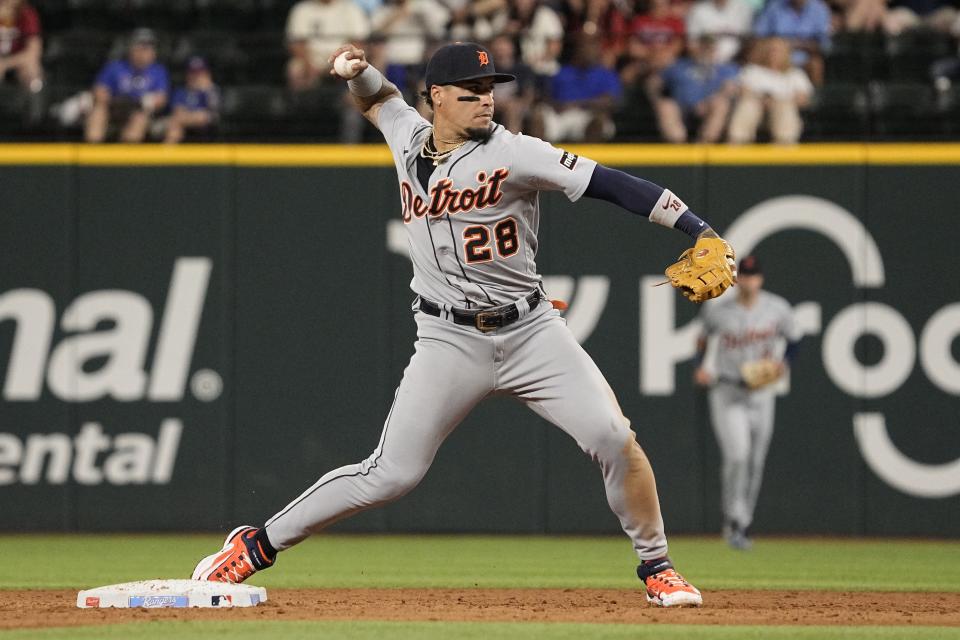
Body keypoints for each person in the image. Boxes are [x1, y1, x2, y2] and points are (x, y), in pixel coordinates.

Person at [191, 40, 738, 607]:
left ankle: (658, 566)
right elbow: (379, 99)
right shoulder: (407, 135)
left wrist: (697, 229)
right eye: (470, 92)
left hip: (531, 333)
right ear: (436, 99)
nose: (486, 101)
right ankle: (254, 545)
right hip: (447, 339)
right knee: (391, 474)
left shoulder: (518, 152)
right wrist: (358, 71)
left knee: (613, 437)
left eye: (490, 90)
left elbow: (612, 184)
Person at [694, 256, 800, 550]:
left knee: (755, 460)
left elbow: (794, 340)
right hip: (727, 390)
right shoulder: (717, 310)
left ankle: (743, 521)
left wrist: (784, 364)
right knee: (738, 455)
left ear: (760, 279)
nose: (749, 280)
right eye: (744, 275)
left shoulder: (777, 308)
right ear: (737, 279)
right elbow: (701, 341)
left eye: (753, 275)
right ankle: (734, 520)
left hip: (761, 392)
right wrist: (701, 366)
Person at [84, 28, 169, 143]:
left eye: (147, 48)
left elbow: (161, 99)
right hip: (113, 108)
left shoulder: (158, 71)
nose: (143, 52)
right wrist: (114, 101)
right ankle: (92, 156)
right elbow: (99, 90)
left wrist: (138, 102)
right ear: (131, 48)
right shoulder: (115, 66)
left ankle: (125, 158)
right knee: (98, 111)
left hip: (138, 110)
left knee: (140, 116)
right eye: (139, 47)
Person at [649, 35, 739, 142]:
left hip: (709, 106)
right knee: (666, 106)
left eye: (709, 47)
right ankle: (679, 149)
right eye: (702, 47)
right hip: (681, 107)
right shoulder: (677, 65)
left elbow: (730, 89)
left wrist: (710, 100)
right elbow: (653, 83)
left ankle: (705, 146)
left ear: (714, 49)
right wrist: (657, 99)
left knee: (721, 104)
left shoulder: (725, 69)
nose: (705, 51)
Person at [533, 34, 622, 142]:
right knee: (538, 115)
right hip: (560, 115)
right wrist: (558, 106)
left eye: (593, 46)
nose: (589, 50)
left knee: (599, 122)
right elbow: (547, 97)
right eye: (585, 46)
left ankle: (590, 158)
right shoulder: (562, 72)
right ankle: (542, 157)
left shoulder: (605, 74)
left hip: (587, 116)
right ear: (578, 49)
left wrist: (579, 104)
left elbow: (610, 101)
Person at [727, 37, 813, 144]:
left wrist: (776, 100)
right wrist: (762, 100)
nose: (774, 54)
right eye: (771, 50)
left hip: (782, 110)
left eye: (778, 51)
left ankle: (784, 147)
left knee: (784, 106)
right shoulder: (752, 70)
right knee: (748, 104)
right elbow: (743, 90)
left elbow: (803, 99)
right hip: (756, 108)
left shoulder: (795, 74)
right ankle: (737, 145)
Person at [285, 0, 370, 91]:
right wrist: (308, 64)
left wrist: (340, 62)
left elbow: (358, 42)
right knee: (295, 68)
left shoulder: (351, 8)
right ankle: (302, 103)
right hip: (312, 58)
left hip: (342, 57)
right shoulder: (302, 9)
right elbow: (296, 43)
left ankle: (349, 103)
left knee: (356, 66)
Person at [753, 0, 831, 86]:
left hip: (805, 57)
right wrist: (780, 47)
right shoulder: (774, 6)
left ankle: (816, 97)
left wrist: (795, 44)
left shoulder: (819, 9)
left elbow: (823, 44)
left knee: (816, 64)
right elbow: (759, 36)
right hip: (776, 54)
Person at [163, 56, 220, 144]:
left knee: (203, 117)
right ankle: (165, 156)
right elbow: (178, 113)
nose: (196, 76)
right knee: (175, 127)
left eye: (200, 73)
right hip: (184, 126)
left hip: (207, 128)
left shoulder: (211, 91)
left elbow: (213, 113)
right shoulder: (181, 92)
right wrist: (195, 116)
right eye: (192, 72)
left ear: (207, 74)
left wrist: (207, 90)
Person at [685, 0, 754, 64]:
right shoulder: (698, 10)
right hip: (704, 61)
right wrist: (703, 55)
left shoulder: (744, 9)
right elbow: (692, 43)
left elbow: (748, 40)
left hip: (736, 61)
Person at [0, 0, 42, 92]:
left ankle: (34, 100)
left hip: (16, 59)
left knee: (31, 68)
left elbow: (33, 52)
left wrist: (5, 64)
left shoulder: (26, 14)